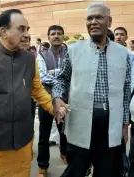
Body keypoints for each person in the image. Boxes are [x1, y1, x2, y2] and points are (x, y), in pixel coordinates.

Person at [0, 9, 66, 177]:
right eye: (21, 29)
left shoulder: (29, 59)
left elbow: (38, 90)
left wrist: (53, 106)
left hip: (23, 143)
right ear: (3, 32)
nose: (26, 34)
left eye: (27, 29)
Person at [52, 3, 131, 177]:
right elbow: (61, 80)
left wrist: (124, 125)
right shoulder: (73, 51)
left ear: (109, 21)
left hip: (111, 125)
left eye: (98, 17)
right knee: (76, 170)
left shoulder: (122, 53)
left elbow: (126, 91)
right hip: (80, 123)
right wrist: (57, 98)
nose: (93, 22)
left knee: (107, 171)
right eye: (89, 18)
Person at [36, 25, 67, 177]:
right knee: (44, 133)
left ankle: (64, 153)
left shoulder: (70, 53)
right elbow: (42, 76)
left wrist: (53, 73)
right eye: (53, 34)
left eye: (59, 34)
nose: (56, 36)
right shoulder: (41, 55)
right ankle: (43, 165)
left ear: (63, 36)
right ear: (48, 37)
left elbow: (73, 74)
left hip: (66, 99)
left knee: (65, 131)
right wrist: (61, 79)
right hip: (46, 99)